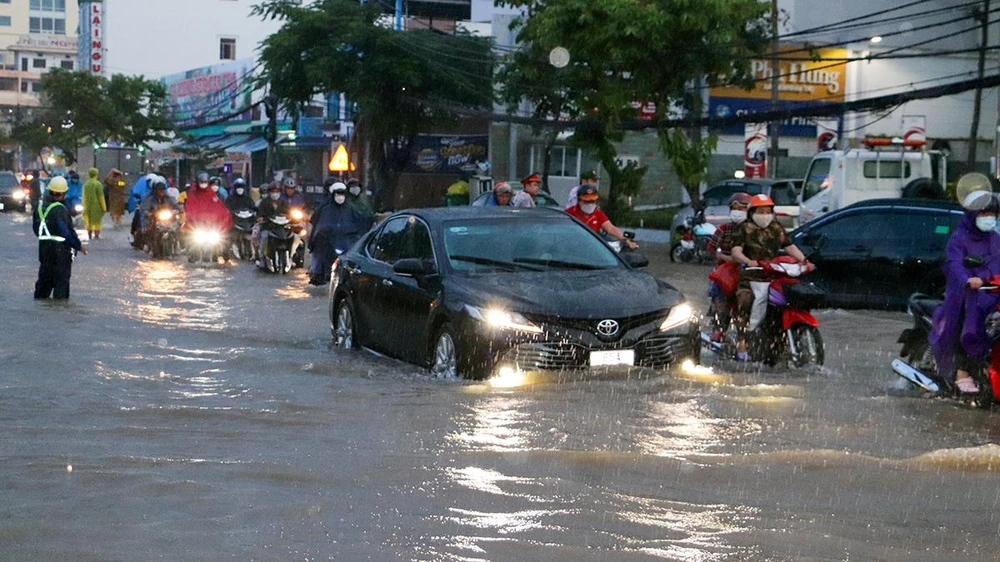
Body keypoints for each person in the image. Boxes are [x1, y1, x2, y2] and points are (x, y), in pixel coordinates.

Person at [930, 191, 1000, 394]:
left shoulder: (995, 238)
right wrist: (967, 279)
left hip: (991, 290)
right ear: (973, 214)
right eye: (984, 213)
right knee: (971, 320)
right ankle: (962, 371)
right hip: (965, 293)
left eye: (992, 214)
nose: (989, 218)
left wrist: (989, 277)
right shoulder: (960, 237)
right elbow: (953, 263)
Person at [730, 194, 809, 360]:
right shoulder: (744, 228)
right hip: (751, 275)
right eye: (761, 211)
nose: (765, 215)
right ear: (752, 212)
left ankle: (784, 338)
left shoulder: (776, 228)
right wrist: (747, 261)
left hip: (774, 275)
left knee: (789, 300)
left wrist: (805, 261)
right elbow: (736, 251)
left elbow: (789, 246)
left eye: (768, 211)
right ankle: (742, 340)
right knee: (745, 300)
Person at [705, 192, 751, 342]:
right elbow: (711, 249)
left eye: (742, 208)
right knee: (720, 299)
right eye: (734, 208)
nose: (738, 211)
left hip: (749, 272)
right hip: (725, 273)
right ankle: (718, 329)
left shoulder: (754, 230)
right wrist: (722, 257)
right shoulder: (724, 229)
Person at [32, 176, 86, 299]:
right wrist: (78, 246)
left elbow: (36, 229)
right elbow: (66, 232)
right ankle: (59, 310)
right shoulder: (61, 210)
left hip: (44, 250)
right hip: (60, 252)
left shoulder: (39, 208)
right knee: (61, 287)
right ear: (63, 193)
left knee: (43, 284)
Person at [308, 182, 367, 285]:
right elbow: (319, 225)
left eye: (342, 194)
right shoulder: (326, 209)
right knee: (320, 252)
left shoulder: (351, 209)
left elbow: (360, 222)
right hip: (328, 240)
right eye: (338, 194)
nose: (340, 197)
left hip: (345, 240)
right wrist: (323, 232)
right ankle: (318, 273)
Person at [564, 184, 638, 250]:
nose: (590, 204)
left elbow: (610, 228)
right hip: (574, 247)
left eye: (593, 201)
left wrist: (626, 240)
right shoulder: (569, 213)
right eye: (586, 201)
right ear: (579, 200)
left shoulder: (598, 214)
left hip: (594, 248)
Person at [184, 170, 232, 246]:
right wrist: (191, 216)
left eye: (205, 182)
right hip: (197, 225)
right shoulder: (193, 194)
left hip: (211, 225)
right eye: (202, 182)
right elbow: (189, 207)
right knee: (191, 244)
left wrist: (225, 213)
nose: (203, 184)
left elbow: (218, 206)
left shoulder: (211, 194)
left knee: (221, 243)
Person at [139, 177, 180, 247]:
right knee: (148, 229)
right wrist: (149, 213)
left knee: (177, 228)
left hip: (168, 220)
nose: (162, 191)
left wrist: (180, 209)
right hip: (155, 219)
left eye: (163, 189)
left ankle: (177, 245)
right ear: (156, 191)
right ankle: (148, 244)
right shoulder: (150, 199)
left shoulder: (169, 198)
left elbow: (176, 205)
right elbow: (145, 209)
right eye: (160, 190)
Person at [256, 183, 289, 264]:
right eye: (273, 191)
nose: (275, 194)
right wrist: (261, 218)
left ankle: (291, 256)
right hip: (268, 227)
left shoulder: (284, 202)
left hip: (282, 228)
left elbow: (289, 213)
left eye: (277, 191)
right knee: (264, 237)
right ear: (269, 192)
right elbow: (259, 214)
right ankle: (262, 258)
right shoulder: (264, 202)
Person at [81, 167, 107, 240]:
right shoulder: (97, 184)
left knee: (88, 220)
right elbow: (101, 197)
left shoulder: (85, 184)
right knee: (97, 221)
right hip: (96, 206)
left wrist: (83, 206)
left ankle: (89, 235)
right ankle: (96, 235)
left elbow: (83, 196)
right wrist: (104, 207)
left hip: (86, 205)